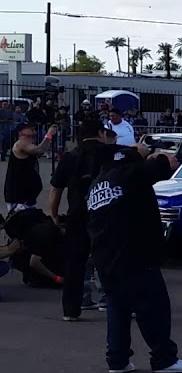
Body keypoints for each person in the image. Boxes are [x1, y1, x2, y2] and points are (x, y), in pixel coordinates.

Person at [87, 146, 182, 373]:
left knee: (117, 309)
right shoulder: (133, 175)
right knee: (154, 309)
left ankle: (117, 359)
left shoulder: (98, 182)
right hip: (135, 255)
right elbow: (164, 166)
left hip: (105, 256)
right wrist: (162, 158)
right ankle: (164, 358)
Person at [49, 119, 116, 321]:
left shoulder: (71, 156)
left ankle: (71, 309)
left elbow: (56, 188)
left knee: (75, 262)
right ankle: (112, 302)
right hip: (105, 214)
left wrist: (53, 213)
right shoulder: (110, 154)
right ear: (100, 133)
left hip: (77, 213)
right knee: (110, 259)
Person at [4, 123, 56, 213]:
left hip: (27, 196)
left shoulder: (29, 145)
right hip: (19, 197)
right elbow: (40, 150)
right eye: (29, 129)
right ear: (20, 132)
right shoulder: (20, 144)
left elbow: (39, 152)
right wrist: (49, 135)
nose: (33, 130)